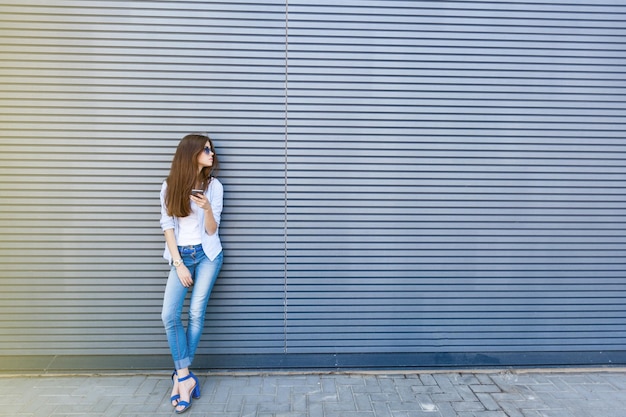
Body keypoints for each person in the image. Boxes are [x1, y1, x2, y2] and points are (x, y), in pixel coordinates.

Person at [159, 133, 224, 414]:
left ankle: (181, 379)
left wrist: (207, 208)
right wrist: (179, 263)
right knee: (169, 315)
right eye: (206, 149)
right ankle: (185, 376)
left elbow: (212, 230)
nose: (211, 153)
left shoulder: (214, 186)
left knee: (196, 312)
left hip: (208, 254)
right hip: (181, 256)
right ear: (191, 153)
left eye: (211, 149)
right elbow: (167, 227)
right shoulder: (169, 186)